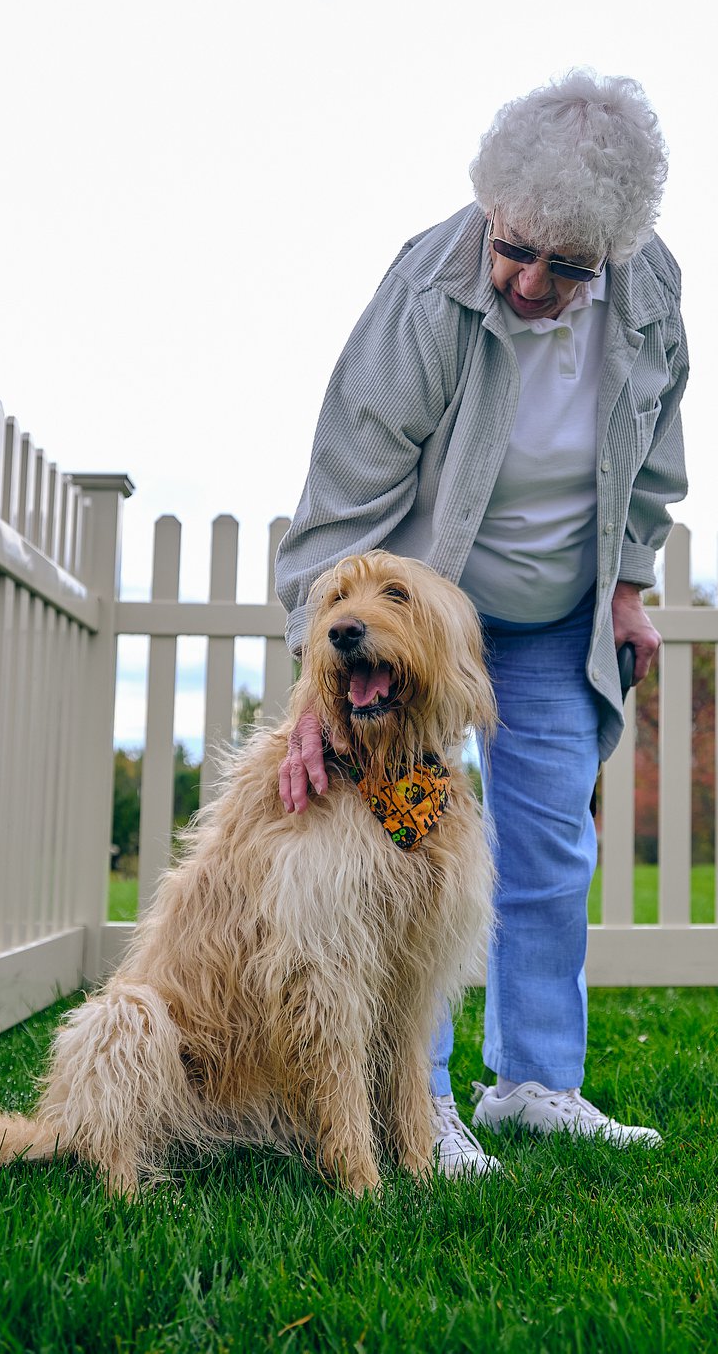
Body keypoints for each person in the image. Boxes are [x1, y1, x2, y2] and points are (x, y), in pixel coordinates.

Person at [273, 68, 688, 1177]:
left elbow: (651, 459)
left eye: (569, 264)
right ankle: (425, 1097)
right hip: (427, 618)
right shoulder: (428, 294)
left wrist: (629, 586)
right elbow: (344, 490)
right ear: (489, 208)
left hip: (555, 614)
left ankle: (539, 1084)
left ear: (615, 249)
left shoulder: (652, 290)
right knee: (414, 844)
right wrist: (315, 683)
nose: (529, 279)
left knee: (550, 841)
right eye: (513, 245)